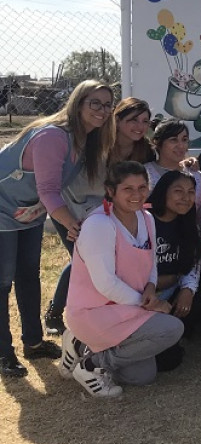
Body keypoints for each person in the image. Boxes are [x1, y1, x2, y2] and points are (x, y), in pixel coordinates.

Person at [0, 80, 115, 377]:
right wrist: (72, 225)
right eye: (95, 103)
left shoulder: (87, 140)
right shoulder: (53, 136)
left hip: (29, 210)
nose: (102, 110)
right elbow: (50, 190)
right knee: (3, 281)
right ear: (78, 104)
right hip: (3, 207)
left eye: (107, 104)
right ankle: (3, 352)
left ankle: (34, 342)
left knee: (28, 275)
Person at [61, 162, 184, 397]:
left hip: (130, 308)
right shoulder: (99, 224)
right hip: (96, 312)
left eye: (142, 187)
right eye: (128, 189)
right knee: (172, 329)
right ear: (110, 190)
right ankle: (91, 365)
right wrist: (150, 303)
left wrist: (150, 287)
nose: (137, 195)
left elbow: (152, 262)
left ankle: (80, 345)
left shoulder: (146, 218)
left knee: (142, 376)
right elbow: (105, 284)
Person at [47, 95, 155, 336]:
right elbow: (74, 186)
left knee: (110, 262)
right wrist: (81, 222)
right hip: (74, 208)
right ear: (117, 120)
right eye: (132, 120)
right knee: (82, 260)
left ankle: (109, 306)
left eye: (145, 121)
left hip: (112, 212)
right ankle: (56, 313)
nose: (139, 126)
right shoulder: (99, 146)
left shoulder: (144, 151)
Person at [146, 170, 201, 335]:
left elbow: (193, 263)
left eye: (191, 192)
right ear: (163, 191)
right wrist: (153, 283)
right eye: (178, 191)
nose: (186, 198)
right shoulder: (143, 221)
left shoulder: (189, 225)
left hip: (172, 289)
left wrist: (187, 290)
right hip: (141, 294)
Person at [145, 118, 201, 232]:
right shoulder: (145, 173)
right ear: (157, 143)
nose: (181, 146)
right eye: (173, 140)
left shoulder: (195, 174)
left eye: (184, 140)